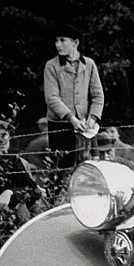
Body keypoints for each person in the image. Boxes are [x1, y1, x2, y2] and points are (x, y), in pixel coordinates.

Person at [44, 23, 105, 173]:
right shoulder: (51, 66)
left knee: (88, 170)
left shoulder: (89, 64)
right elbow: (52, 98)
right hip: (61, 126)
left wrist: (93, 118)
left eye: (62, 40)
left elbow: (98, 95)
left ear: (75, 43)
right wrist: (71, 119)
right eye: (56, 40)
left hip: (85, 128)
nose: (58, 45)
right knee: (61, 170)